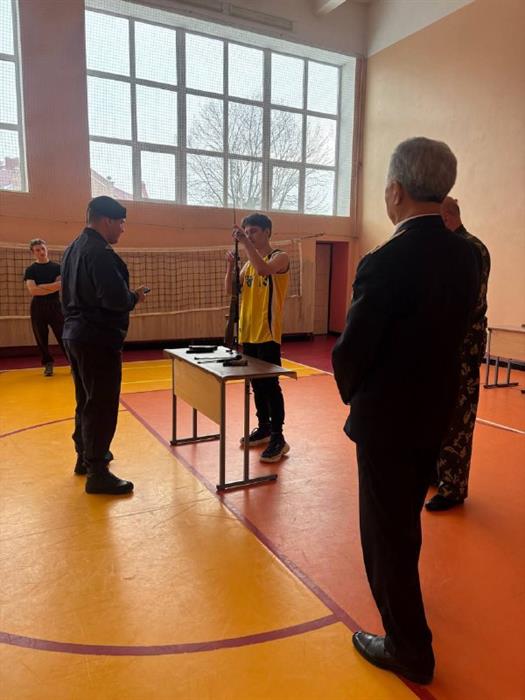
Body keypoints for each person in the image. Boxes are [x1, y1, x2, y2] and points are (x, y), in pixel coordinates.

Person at [332, 137, 479, 685]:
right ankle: (406, 615)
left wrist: (350, 388)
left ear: (395, 190)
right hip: (433, 413)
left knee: (384, 535)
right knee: (403, 523)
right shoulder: (466, 255)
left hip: (387, 422)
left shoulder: (386, 261)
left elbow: (352, 351)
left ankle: (408, 648)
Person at [61, 196, 148, 495]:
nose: (123, 229)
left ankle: (84, 457)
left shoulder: (72, 248)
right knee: (102, 403)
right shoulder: (99, 252)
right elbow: (114, 298)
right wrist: (135, 297)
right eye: (121, 222)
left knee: (86, 399)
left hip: (74, 333)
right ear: (107, 220)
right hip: (97, 337)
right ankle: (98, 471)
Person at [426, 198, 491, 511]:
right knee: (438, 412)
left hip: (462, 347)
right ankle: (438, 474)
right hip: (447, 345)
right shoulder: (455, 248)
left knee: (457, 418)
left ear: (448, 217)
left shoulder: (469, 249)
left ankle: (453, 488)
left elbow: (464, 302)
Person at [224, 213, 290, 463]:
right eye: (246, 231)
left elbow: (264, 270)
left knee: (270, 385)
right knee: (256, 384)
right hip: (248, 333)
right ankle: (263, 427)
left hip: (268, 334)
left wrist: (244, 242)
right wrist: (231, 266)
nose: (249, 235)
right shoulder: (247, 265)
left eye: (253, 231)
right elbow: (230, 290)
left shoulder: (280, 257)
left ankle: (278, 437)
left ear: (267, 232)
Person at [23, 239, 66, 376]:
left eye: (43, 248)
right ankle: (48, 363)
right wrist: (50, 287)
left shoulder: (57, 267)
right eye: (38, 250)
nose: (41, 252)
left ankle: (74, 362)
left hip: (55, 305)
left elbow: (60, 286)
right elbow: (33, 291)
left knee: (63, 335)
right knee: (41, 337)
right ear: (33, 253)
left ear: (46, 249)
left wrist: (41, 286)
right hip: (38, 307)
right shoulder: (30, 270)